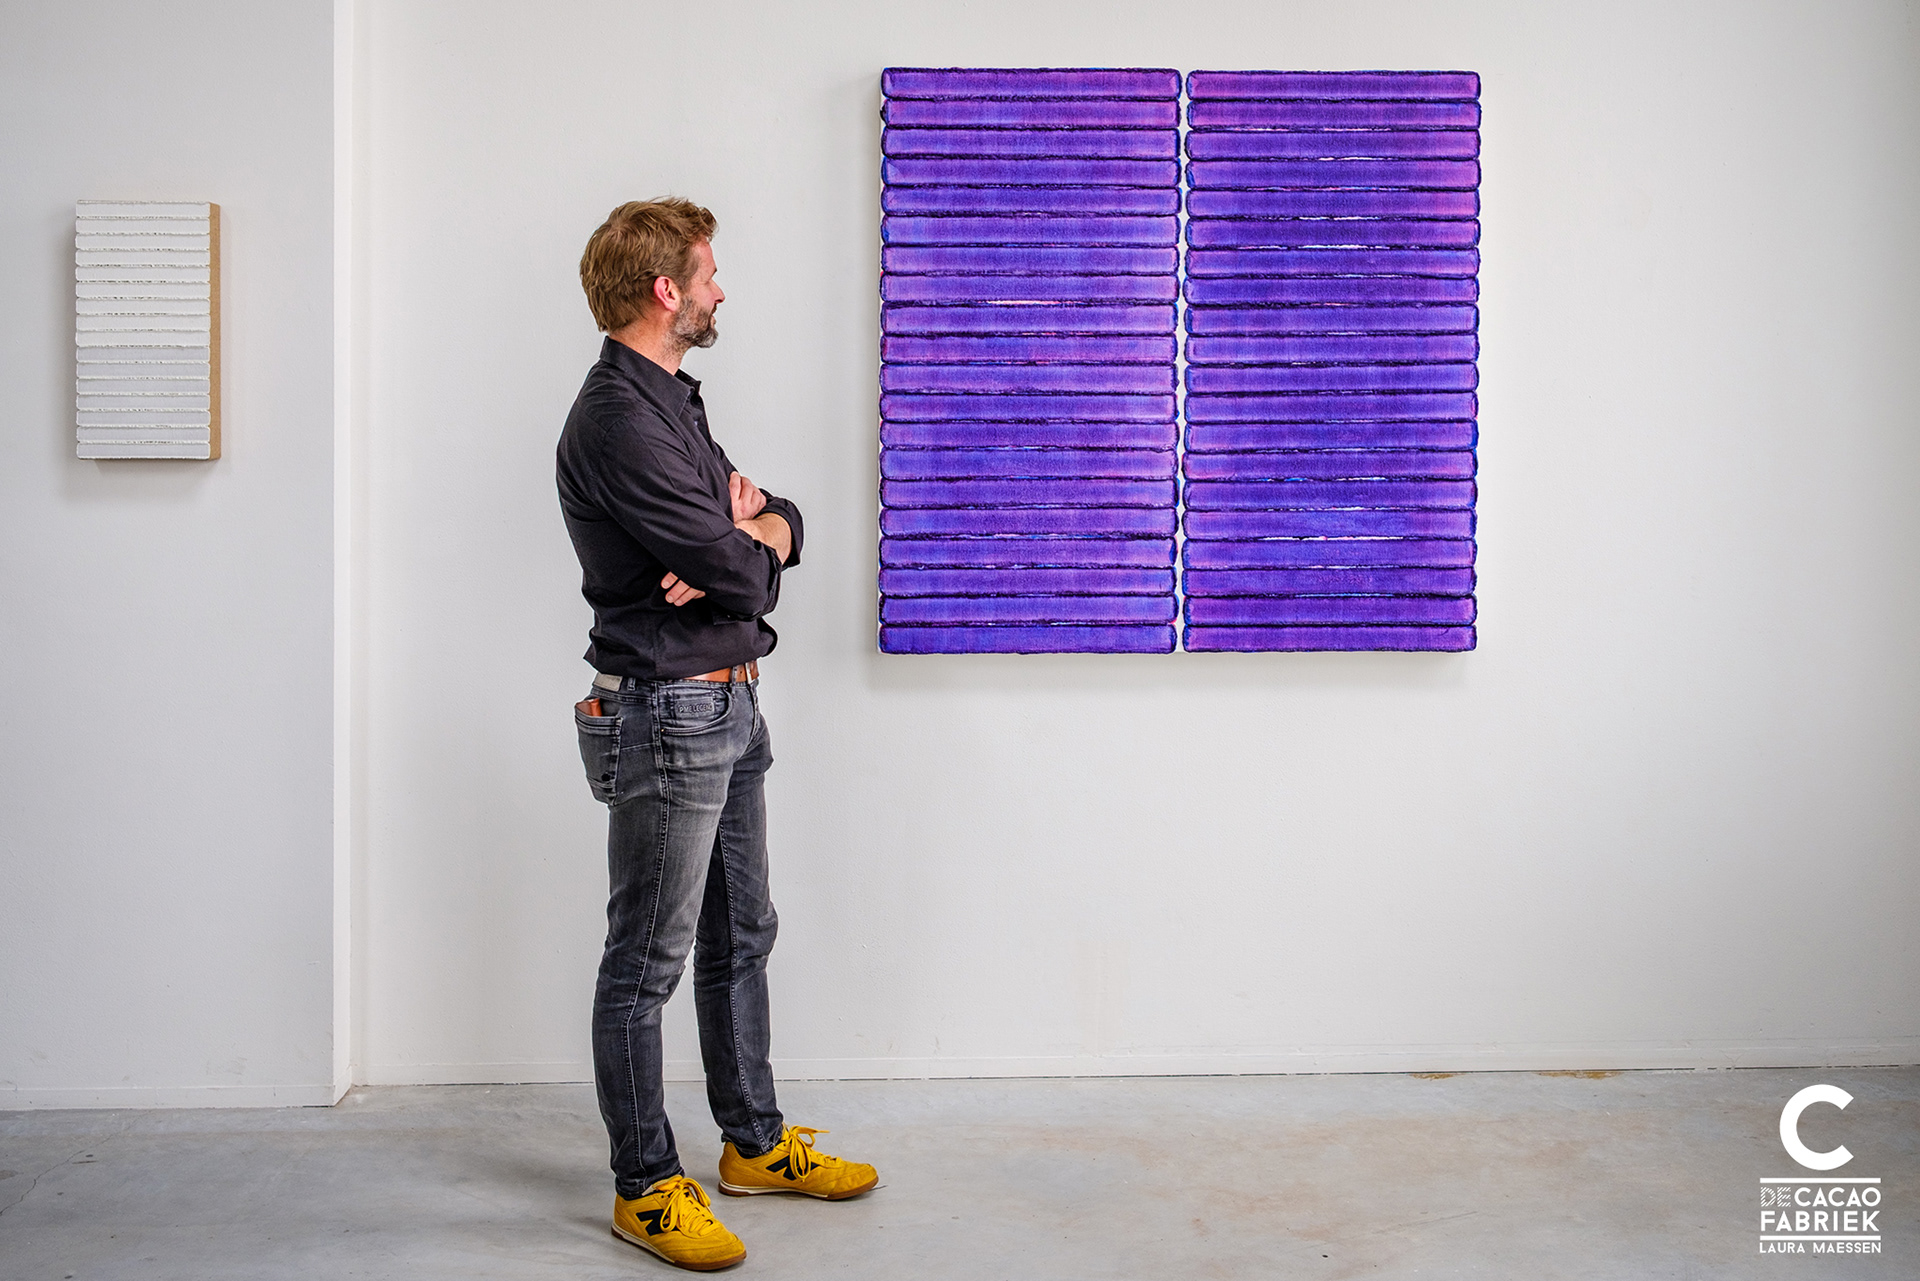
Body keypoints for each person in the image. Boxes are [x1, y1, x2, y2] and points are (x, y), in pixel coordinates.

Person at [557, 198, 876, 1272]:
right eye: (708, 272)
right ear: (665, 291)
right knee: (645, 960)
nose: (720, 289)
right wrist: (742, 542)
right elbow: (744, 568)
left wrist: (755, 525)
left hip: (731, 702)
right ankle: (646, 1185)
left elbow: (777, 521)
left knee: (743, 935)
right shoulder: (616, 420)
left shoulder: (673, 402)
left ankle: (751, 1146)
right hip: (666, 712)